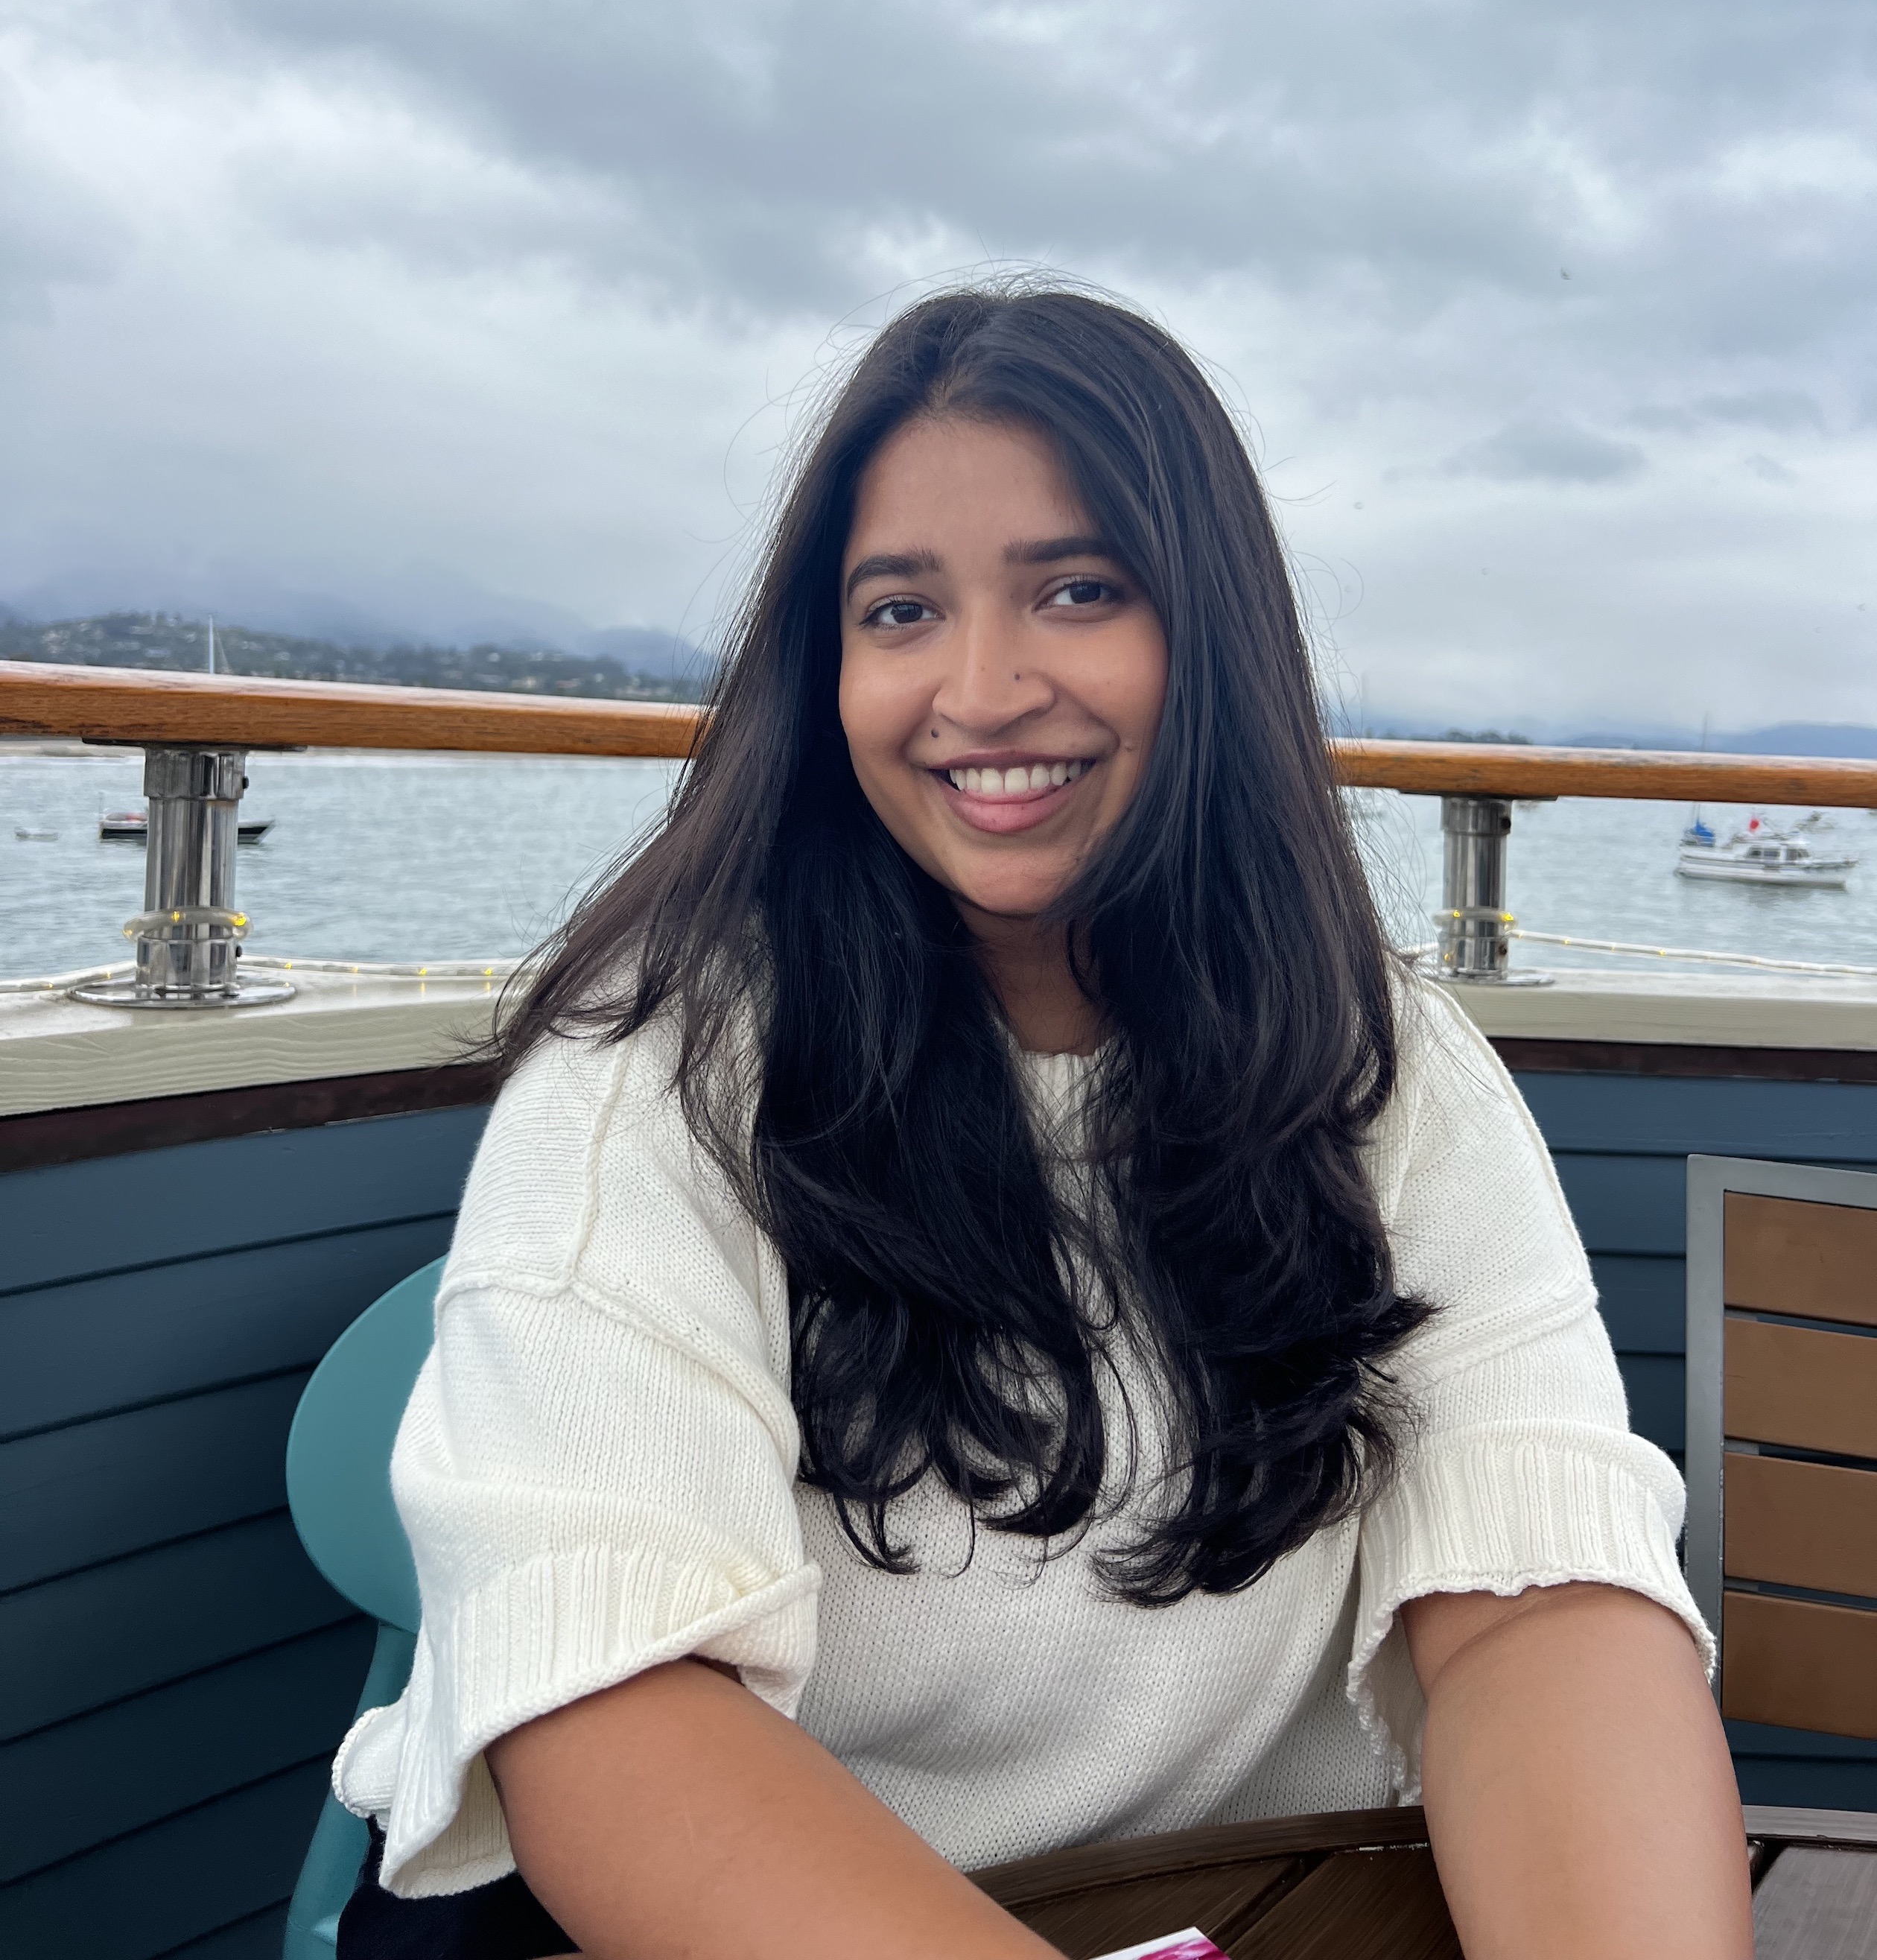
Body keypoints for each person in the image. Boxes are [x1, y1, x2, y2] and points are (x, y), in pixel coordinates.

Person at [334, 285, 1750, 1960]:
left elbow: (1539, 1601)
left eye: (1077, 591)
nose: (983, 690)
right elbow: (613, 1715)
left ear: (1210, 636)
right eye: (900, 610)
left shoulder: (1387, 1067)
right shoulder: (656, 1083)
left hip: (1250, 1902)